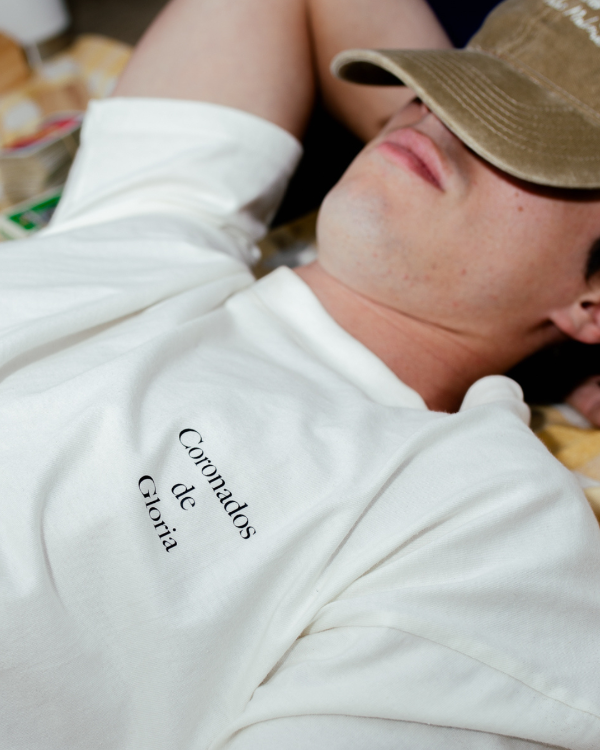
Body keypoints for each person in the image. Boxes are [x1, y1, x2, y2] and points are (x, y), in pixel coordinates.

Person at [1, 0, 600, 748]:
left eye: (518, 133)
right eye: (435, 89)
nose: (435, 120)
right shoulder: (155, 234)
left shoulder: (485, 522)